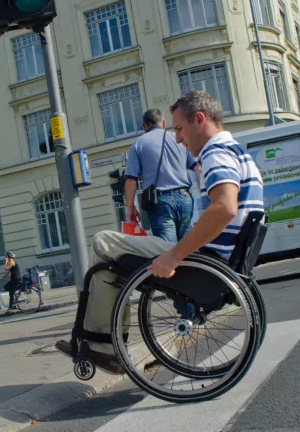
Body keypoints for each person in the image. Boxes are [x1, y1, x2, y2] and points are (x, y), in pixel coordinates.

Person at [55, 91, 265, 373]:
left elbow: (224, 208)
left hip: (205, 264)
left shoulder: (215, 152)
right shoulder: (240, 154)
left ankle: (103, 345)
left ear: (199, 119)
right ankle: (104, 342)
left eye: (179, 129)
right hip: (221, 258)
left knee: (103, 242)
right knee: (116, 262)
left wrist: (175, 255)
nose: (177, 138)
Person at [123, 109, 197, 243]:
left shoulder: (138, 144)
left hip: (161, 202)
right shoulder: (179, 139)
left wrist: (130, 207)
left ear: (144, 126)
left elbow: (130, 179)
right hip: (185, 197)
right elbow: (197, 167)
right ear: (163, 123)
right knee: (187, 247)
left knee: (168, 249)